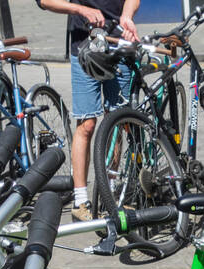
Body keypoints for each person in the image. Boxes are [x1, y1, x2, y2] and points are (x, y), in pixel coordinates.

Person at [37, 0, 140, 221]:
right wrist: (81, 9)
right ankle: (80, 199)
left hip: (117, 44)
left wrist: (127, 16)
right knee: (87, 124)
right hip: (85, 49)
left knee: (116, 122)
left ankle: (110, 193)